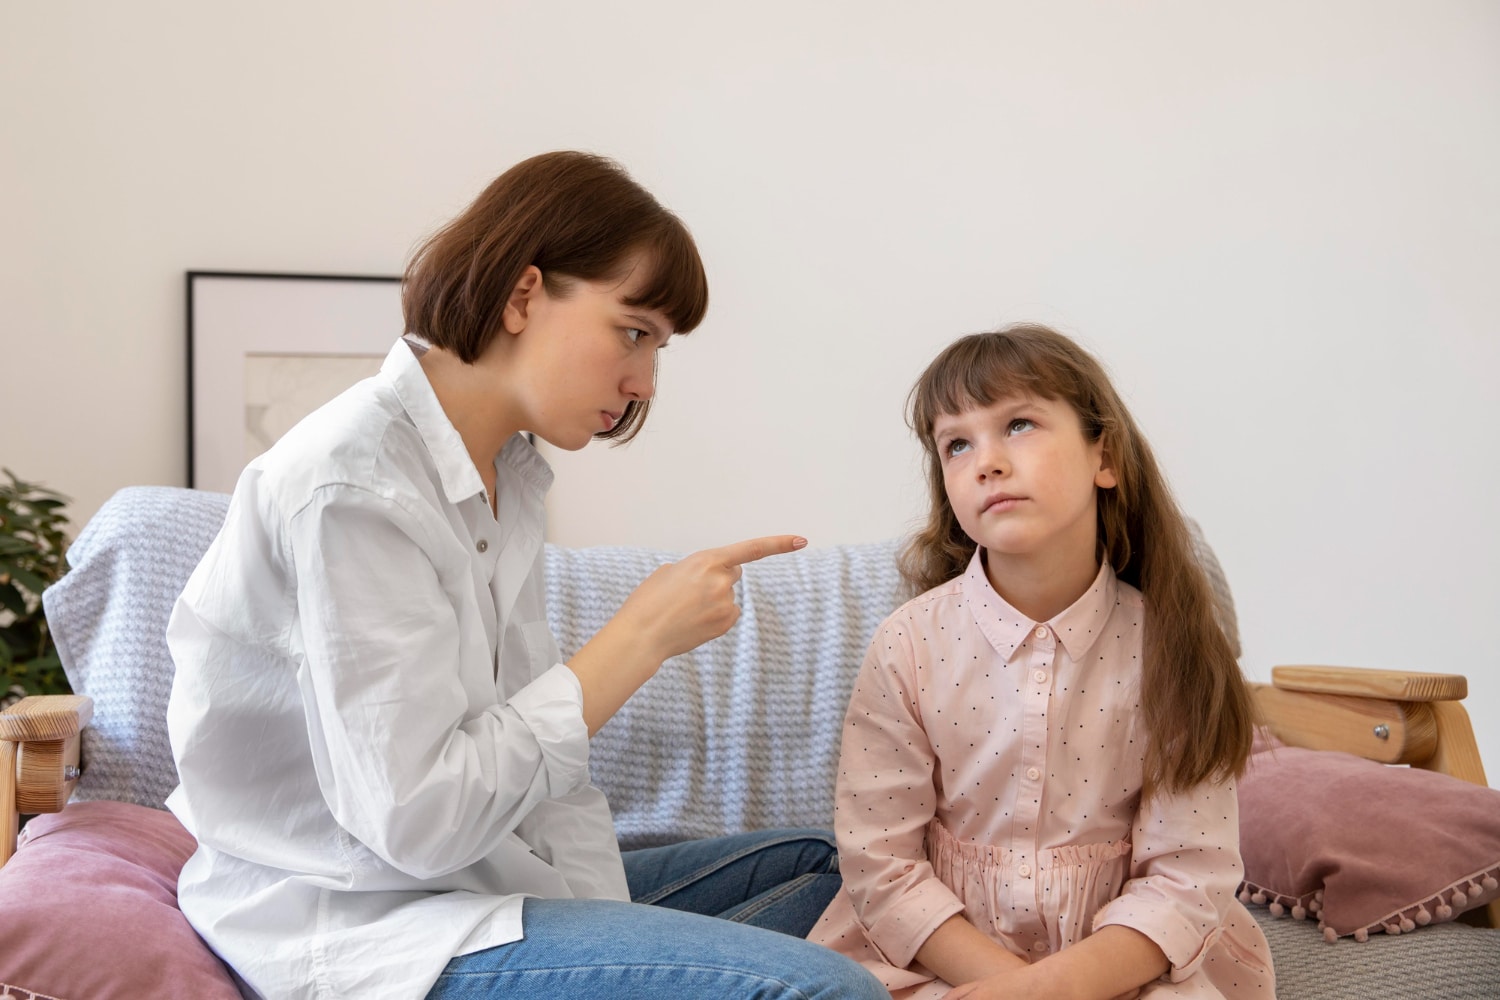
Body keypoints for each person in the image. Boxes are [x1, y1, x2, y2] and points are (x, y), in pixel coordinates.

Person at [165, 151, 885, 1000]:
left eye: (658, 348)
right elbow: (417, 823)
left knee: (829, 869)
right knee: (828, 990)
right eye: (633, 331)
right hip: (370, 924)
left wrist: (616, 932)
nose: (643, 383)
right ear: (522, 295)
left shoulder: (505, 476)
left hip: (483, 885)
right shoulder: (354, 488)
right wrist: (639, 639)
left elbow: (545, 799)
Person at [808, 325, 1276, 998]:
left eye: (1018, 424)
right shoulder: (906, 644)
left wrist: (1056, 989)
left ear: (1104, 456)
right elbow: (882, 868)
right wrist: (1015, 988)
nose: (987, 462)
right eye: (957, 444)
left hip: (1126, 964)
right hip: (936, 958)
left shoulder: (1170, 645)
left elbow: (1188, 878)